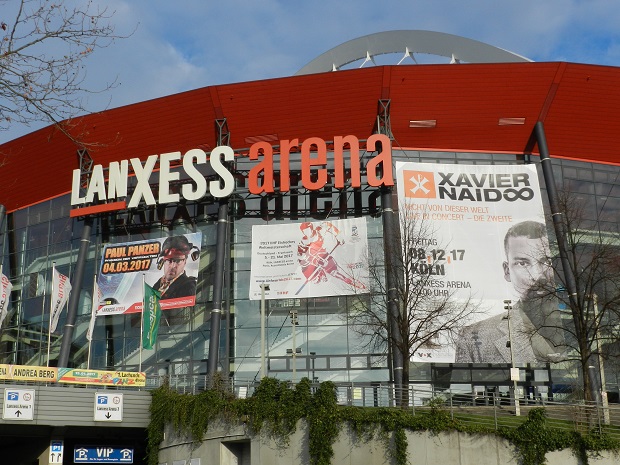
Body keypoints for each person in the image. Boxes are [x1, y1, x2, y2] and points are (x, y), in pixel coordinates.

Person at [455, 221, 566, 363]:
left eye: (546, 262)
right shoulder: (474, 337)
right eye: (523, 263)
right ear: (507, 271)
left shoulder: (576, 322)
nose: (537, 275)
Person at [296, 221, 366, 292]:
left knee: (337, 272)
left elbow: (327, 224)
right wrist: (315, 262)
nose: (307, 233)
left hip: (326, 256)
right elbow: (302, 259)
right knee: (318, 279)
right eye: (304, 231)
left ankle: (353, 282)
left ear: (311, 228)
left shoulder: (319, 231)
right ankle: (321, 275)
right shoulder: (302, 243)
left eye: (308, 229)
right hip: (316, 263)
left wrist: (338, 236)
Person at [153, 235, 198, 300]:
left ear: (185, 261)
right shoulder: (158, 284)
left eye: (178, 261)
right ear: (162, 262)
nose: (173, 266)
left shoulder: (188, 286)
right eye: (169, 260)